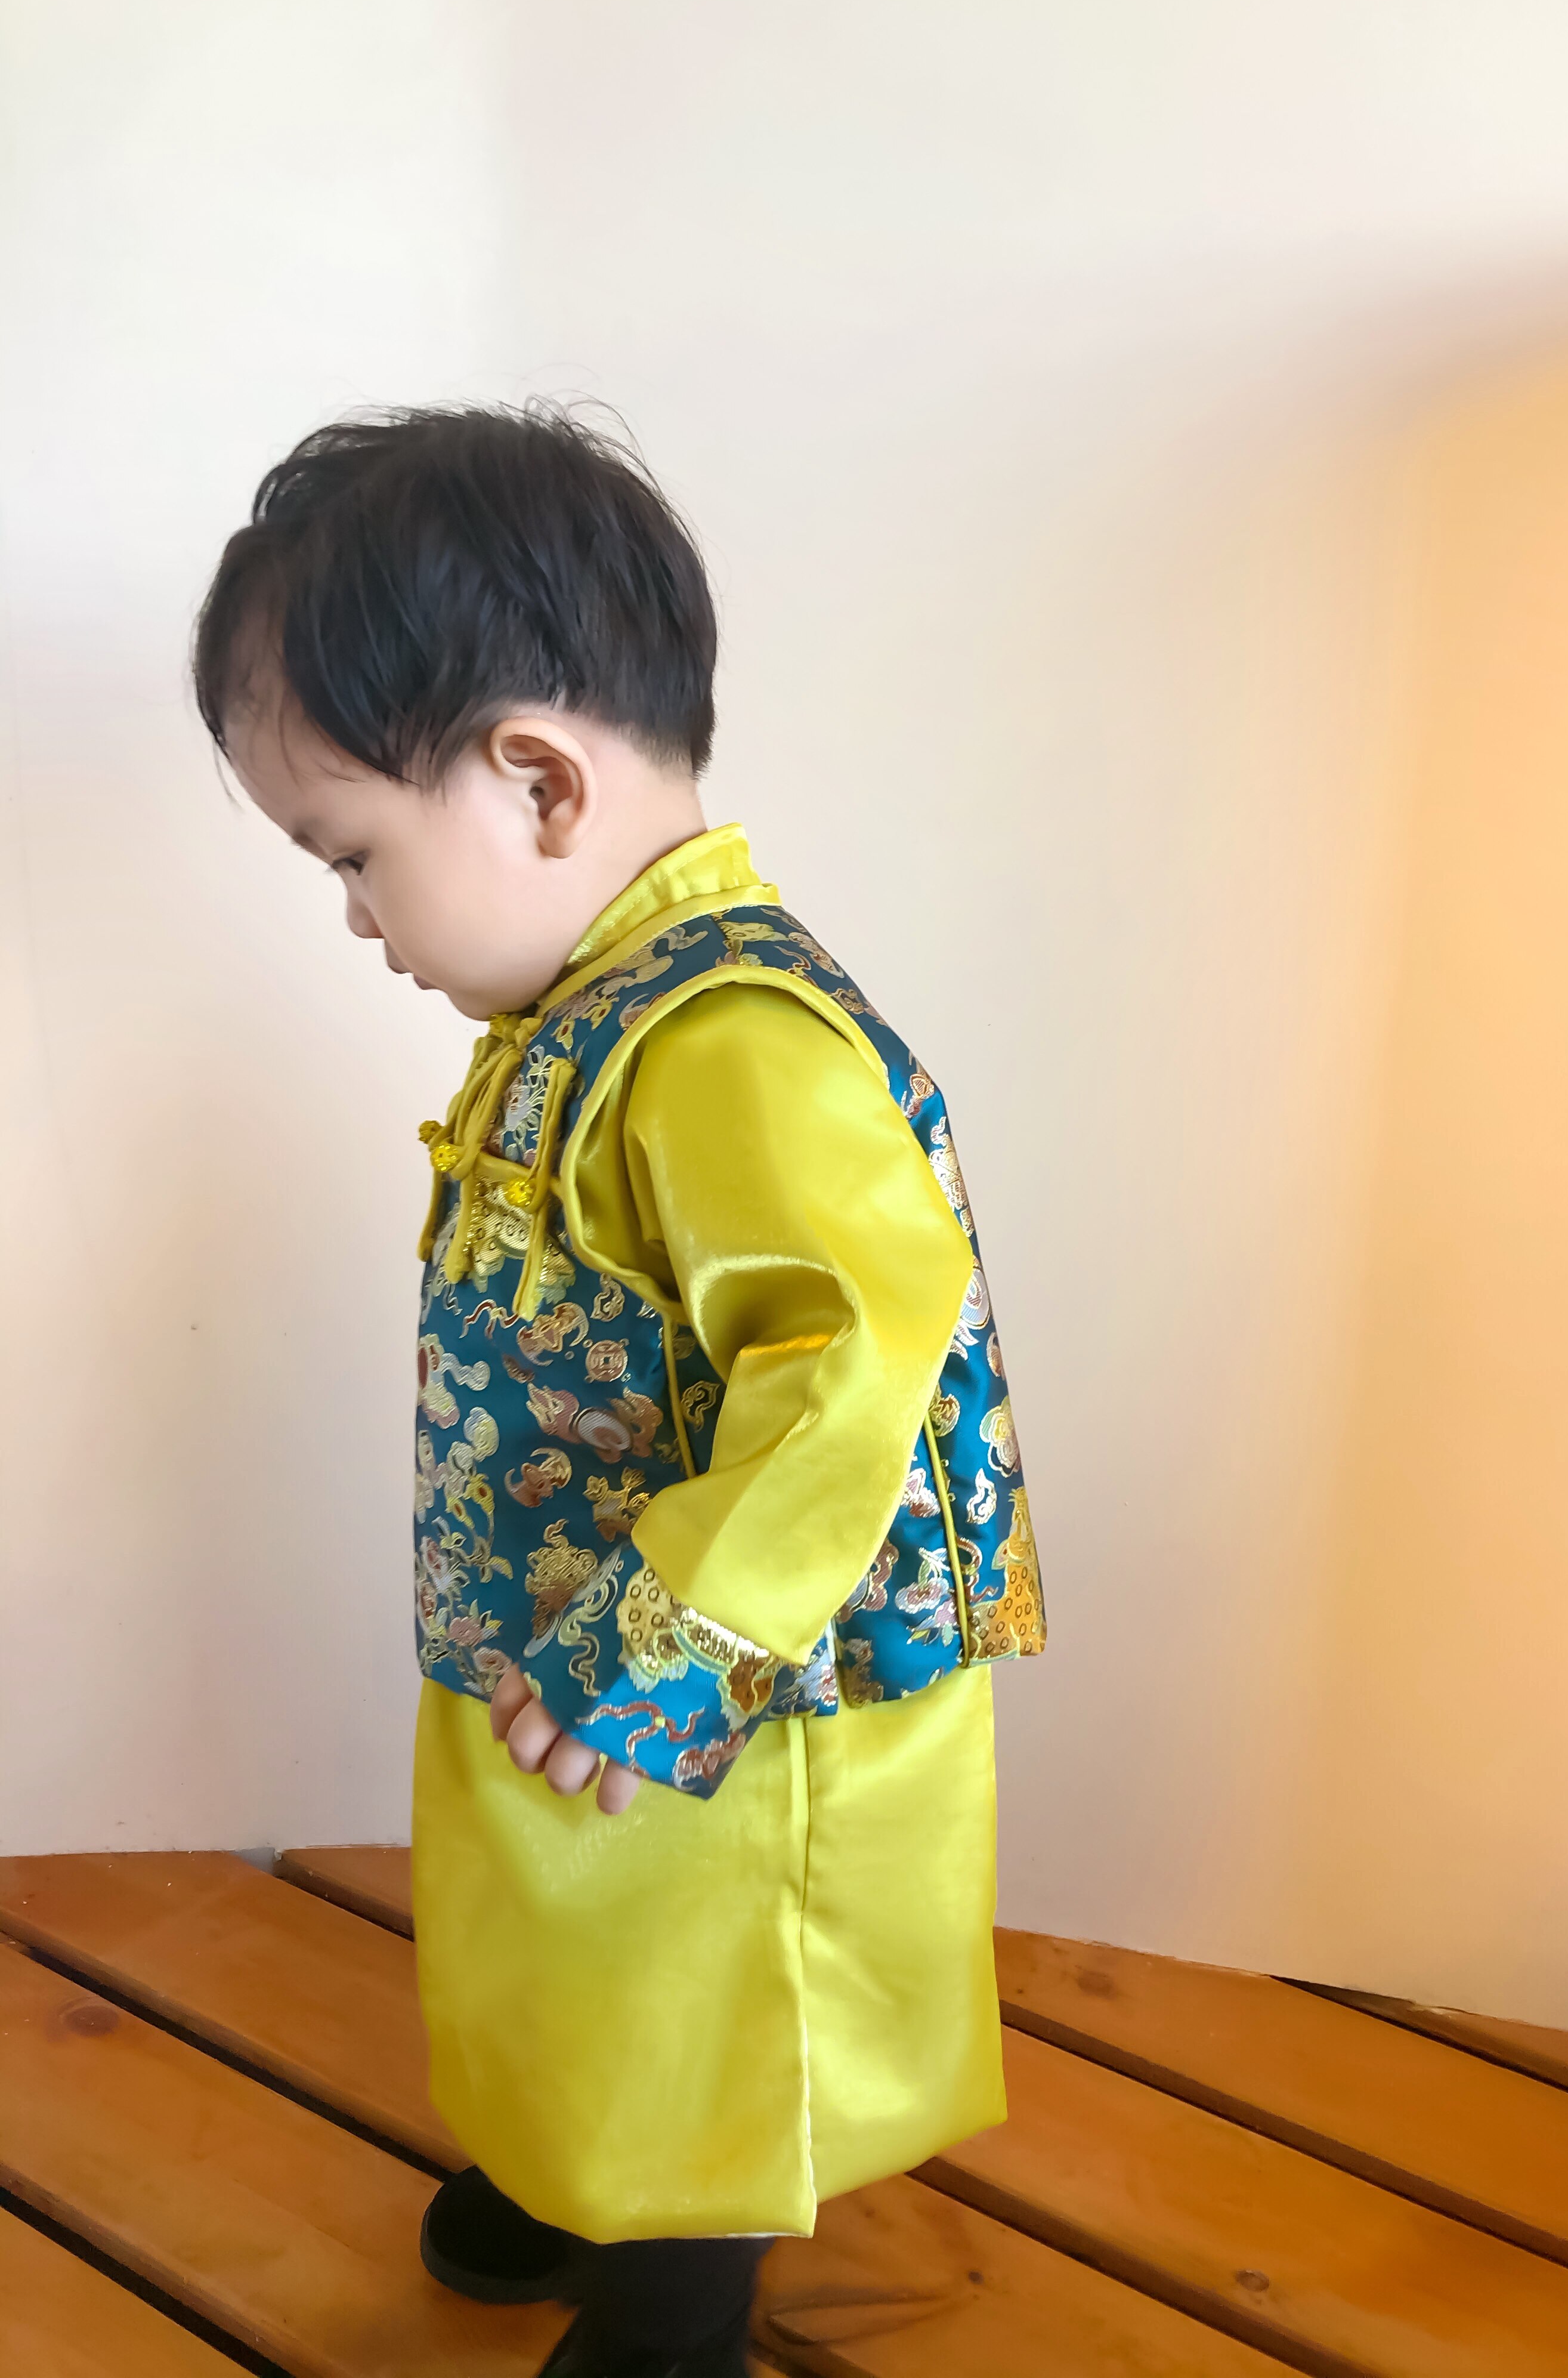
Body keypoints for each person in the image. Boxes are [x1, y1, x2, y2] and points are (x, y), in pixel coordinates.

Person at [190, 404, 1046, 2378]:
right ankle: (579, 2160)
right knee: (570, 1924)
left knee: (700, 1967)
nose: (358, 918)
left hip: (723, 1681)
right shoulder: (587, 1015)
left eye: (356, 856)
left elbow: (855, 1352)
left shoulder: (730, 1037)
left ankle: (678, 2279)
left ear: (537, 781)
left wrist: (676, 1639)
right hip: (558, 1622)